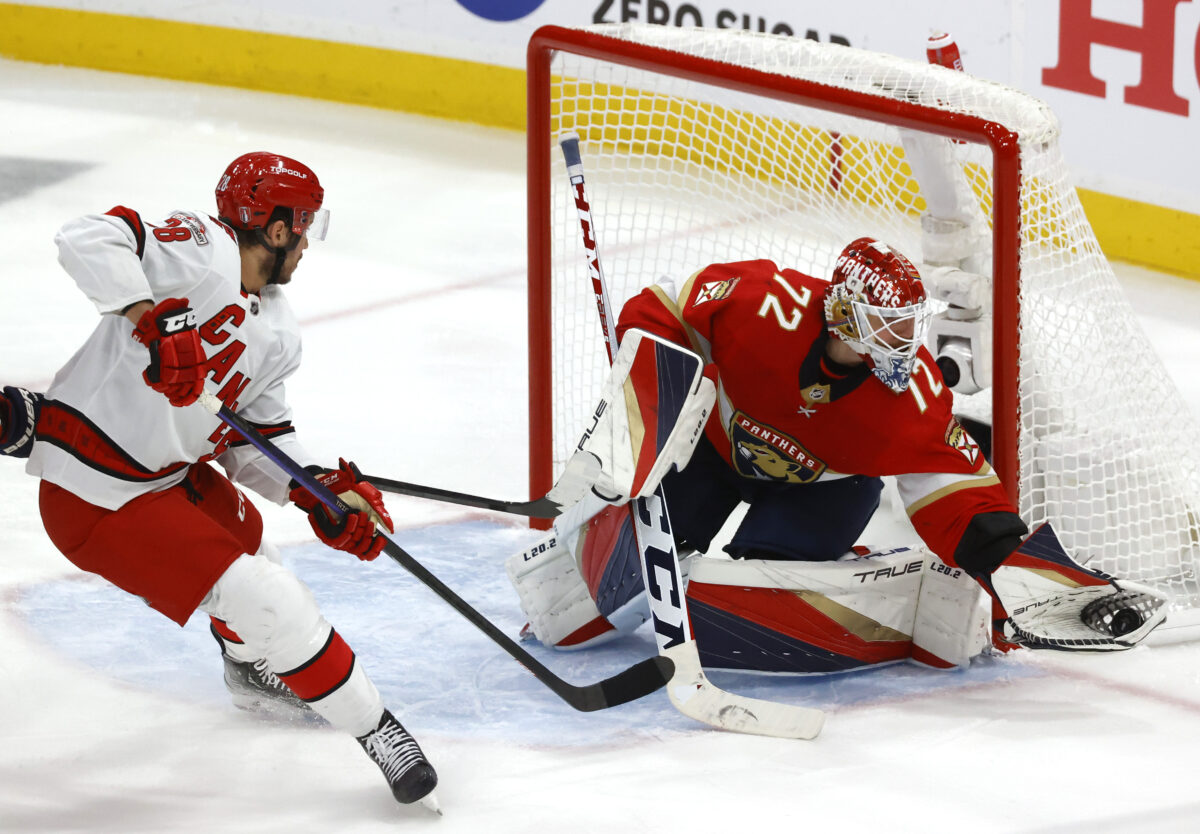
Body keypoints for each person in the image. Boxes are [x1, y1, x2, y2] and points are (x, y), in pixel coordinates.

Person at [0, 153, 438, 810]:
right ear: (279, 227)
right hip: (95, 495)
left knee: (255, 548)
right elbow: (88, 237)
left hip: (167, 479)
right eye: (305, 224)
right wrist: (149, 316)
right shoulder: (200, 249)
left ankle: (250, 672)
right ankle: (383, 735)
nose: (309, 242)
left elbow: (255, 439)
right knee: (273, 599)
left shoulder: (280, 329)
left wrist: (319, 493)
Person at [508, 237, 1167, 671]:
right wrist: (649, 399)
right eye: (888, 325)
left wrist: (1006, 562)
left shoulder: (912, 398)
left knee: (752, 584)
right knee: (605, 581)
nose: (904, 342)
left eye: (909, 324)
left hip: (826, 487)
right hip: (712, 452)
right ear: (843, 315)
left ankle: (847, 566)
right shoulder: (760, 303)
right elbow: (660, 311)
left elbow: (958, 491)